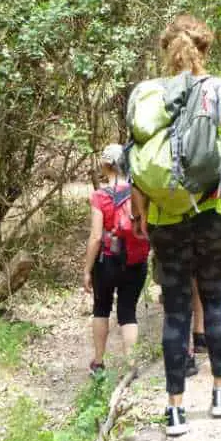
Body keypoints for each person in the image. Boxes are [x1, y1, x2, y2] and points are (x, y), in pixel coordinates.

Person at [130, 14, 221, 437]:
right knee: (215, 301)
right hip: (212, 211)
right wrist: (212, 173)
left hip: (165, 217)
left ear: (167, 50)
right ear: (205, 49)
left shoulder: (150, 95)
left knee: (177, 311)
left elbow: (140, 164)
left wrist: (144, 213)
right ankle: (220, 393)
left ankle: (175, 410)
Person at [82, 144, 150, 375]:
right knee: (128, 311)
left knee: (101, 308)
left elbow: (95, 236)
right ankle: (131, 365)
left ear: (107, 165)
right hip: (136, 259)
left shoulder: (100, 197)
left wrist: (87, 270)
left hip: (107, 261)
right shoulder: (138, 191)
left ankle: (99, 363)